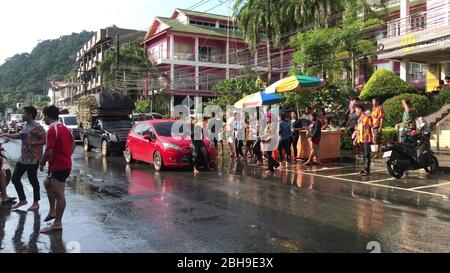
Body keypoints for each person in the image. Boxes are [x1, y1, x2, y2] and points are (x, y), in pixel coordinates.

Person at [0, 106, 45, 211]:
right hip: (23, 157)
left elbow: (44, 140)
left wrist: (33, 143)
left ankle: (36, 203)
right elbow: (20, 136)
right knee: (15, 178)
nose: (22, 115)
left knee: (33, 180)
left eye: (24, 113)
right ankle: (23, 200)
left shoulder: (38, 127)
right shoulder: (26, 126)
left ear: (30, 115)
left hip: (33, 158)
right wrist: (6, 134)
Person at [39, 106, 75, 233]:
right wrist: (66, 156)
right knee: (47, 183)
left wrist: (42, 163)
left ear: (47, 116)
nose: (44, 119)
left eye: (44, 116)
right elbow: (73, 144)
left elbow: (48, 152)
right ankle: (52, 211)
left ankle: (57, 223)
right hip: (60, 165)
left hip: (59, 166)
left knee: (60, 195)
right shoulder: (64, 128)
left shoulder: (52, 130)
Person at [354, 103, 373, 177]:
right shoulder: (359, 119)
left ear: (360, 109)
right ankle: (365, 168)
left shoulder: (367, 117)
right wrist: (355, 139)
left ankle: (366, 170)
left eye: (356, 109)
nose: (355, 111)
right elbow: (358, 130)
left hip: (367, 138)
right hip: (361, 138)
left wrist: (374, 137)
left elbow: (371, 127)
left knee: (367, 154)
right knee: (364, 155)